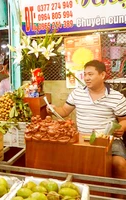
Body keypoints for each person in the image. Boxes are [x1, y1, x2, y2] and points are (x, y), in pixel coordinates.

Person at [47, 60, 126, 198]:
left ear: (102, 75)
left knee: (119, 164)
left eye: (90, 74)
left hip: (109, 140)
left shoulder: (117, 97)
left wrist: (122, 128)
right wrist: (53, 109)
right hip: (82, 139)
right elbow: (64, 111)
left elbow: (123, 120)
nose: (87, 78)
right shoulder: (77, 93)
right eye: (84, 75)